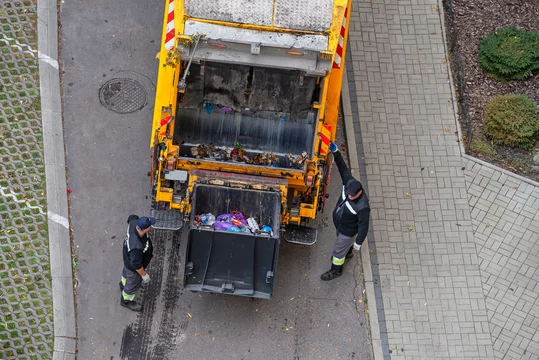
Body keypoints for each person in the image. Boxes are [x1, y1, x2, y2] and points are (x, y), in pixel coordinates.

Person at [321, 142, 370, 281]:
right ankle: (347, 252)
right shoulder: (349, 183)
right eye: (348, 193)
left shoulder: (362, 207)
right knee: (342, 246)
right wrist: (336, 152)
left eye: (351, 196)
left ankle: (336, 269)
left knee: (337, 251)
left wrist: (358, 242)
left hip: (347, 231)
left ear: (359, 193)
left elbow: (364, 226)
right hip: (341, 225)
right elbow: (343, 168)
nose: (348, 196)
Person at [120, 215, 155, 311]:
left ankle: (123, 285)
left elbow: (131, 217)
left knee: (125, 274)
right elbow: (136, 264)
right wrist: (144, 275)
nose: (150, 227)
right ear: (144, 229)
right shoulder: (136, 247)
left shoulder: (134, 222)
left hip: (127, 260)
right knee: (132, 283)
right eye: (149, 226)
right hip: (134, 269)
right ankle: (126, 300)